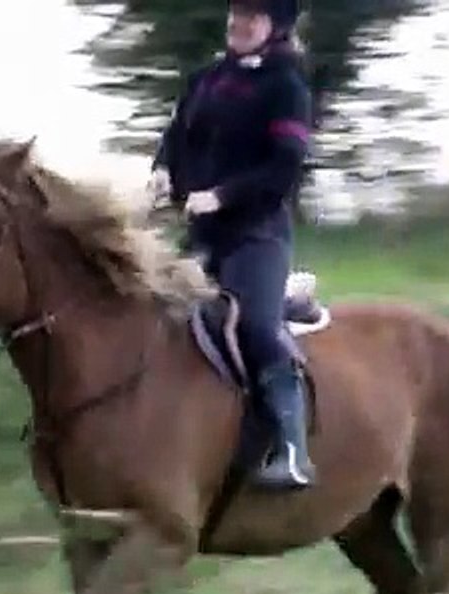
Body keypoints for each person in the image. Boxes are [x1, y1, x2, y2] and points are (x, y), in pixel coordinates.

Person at [148, 0, 316, 490]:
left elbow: (283, 169)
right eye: (235, 12)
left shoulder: (287, 88)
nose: (238, 22)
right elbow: (176, 137)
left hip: (256, 238)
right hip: (199, 238)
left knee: (256, 326)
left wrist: (221, 196)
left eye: (252, 15)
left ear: (275, 26)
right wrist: (161, 171)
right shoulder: (205, 78)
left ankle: (292, 449)